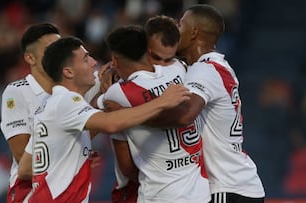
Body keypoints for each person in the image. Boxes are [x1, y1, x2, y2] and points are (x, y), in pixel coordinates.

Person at [27, 36, 191, 202]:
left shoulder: (51, 105)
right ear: (68, 72)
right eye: (86, 59)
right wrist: (162, 102)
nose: (93, 63)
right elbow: (111, 124)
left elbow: (27, 166)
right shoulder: (66, 101)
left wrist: (74, 158)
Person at [104, 25, 210, 203]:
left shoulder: (117, 94)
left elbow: (127, 167)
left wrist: (103, 90)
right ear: (148, 50)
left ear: (115, 60)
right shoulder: (178, 69)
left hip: (159, 194)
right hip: (199, 192)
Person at [176, 4, 265, 202]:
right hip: (239, 184)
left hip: (226, 186)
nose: (176, 30)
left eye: (181, 25)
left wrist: (142, 112)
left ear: (194, 33)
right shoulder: (217, 66)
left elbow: (185, 114)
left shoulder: (204, 70)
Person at [108, 15, 185, 203]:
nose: (162, 66)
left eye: (169, 60)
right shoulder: (180, 70)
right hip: (156, 184)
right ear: (144, 48)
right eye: (157, 58)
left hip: (150, 185)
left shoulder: (117, 94)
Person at [0, 23, 61, 203]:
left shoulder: (70, 90)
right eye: (50, 49)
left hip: (64, 188)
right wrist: (71, 163)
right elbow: (22, 158)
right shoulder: (17, 92)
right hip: (29, 191)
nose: (57, 55)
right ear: (30, 58)